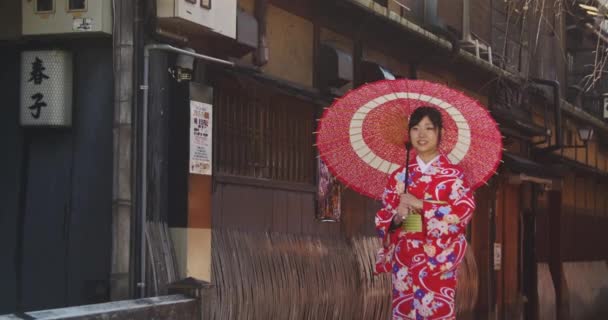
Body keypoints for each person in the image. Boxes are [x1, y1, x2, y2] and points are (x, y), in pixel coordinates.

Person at [374, 106, 475, 320]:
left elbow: (461, 214)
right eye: (415, 128)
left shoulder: (454, 177)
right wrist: (398, 216)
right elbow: (385, 220)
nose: (421, 134)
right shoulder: (398, 177)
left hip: (437, 263)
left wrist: (421, 204)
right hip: (404, 263)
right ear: (408, 133)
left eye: (429, 128)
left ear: (441, 133)